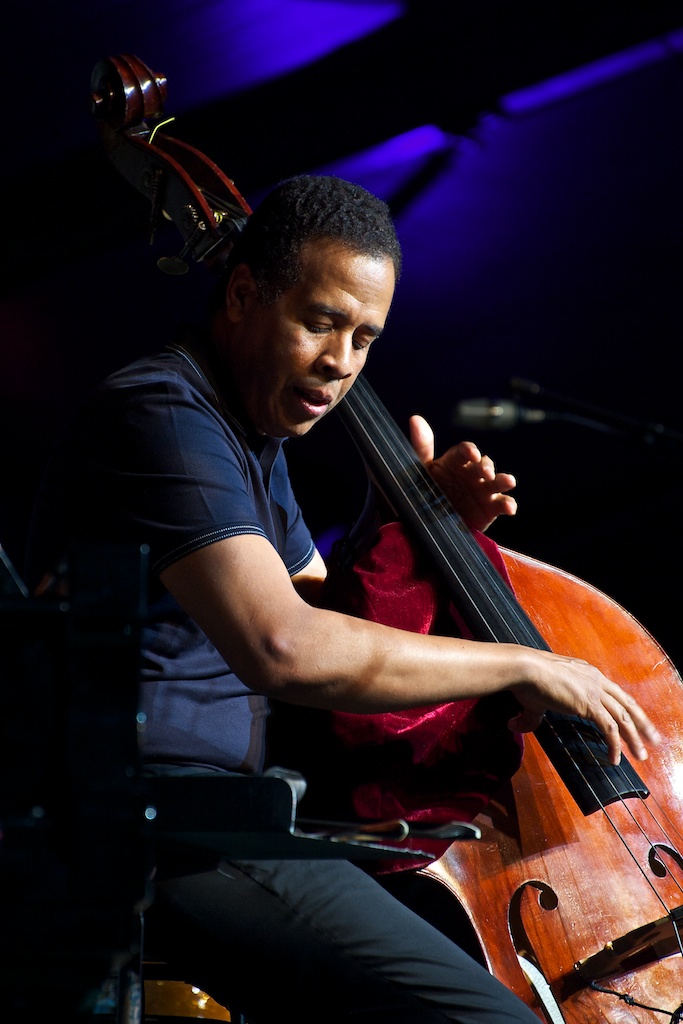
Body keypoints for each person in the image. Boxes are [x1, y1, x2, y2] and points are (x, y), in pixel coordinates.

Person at [25, 174, 659, 1023]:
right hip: (159, 824)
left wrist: (409, 530)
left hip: (232, 812)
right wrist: (523, 663)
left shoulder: (251, 435)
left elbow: (331, 620)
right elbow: (284, 646)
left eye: (365, 338)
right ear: (244, 292)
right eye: (319, 322)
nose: (342, 364)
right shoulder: (166, 415)